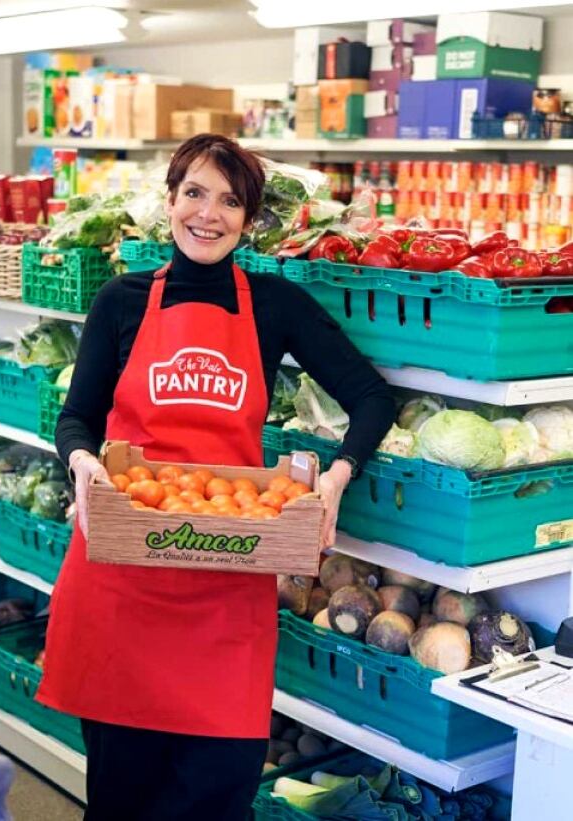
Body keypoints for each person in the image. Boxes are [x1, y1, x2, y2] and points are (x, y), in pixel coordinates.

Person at [36, 133, 395, 821]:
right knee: (120, 800)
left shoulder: (274, 305)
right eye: (194, 192)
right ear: (169, 202)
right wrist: (83, 462)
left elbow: (372, 397)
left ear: (249, 219)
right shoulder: (122, 300)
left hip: (227, 582)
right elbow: (76, 417)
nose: (210, 213)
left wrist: (336, 477)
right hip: (123, 581)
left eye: (231, 200)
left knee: (219, 792)